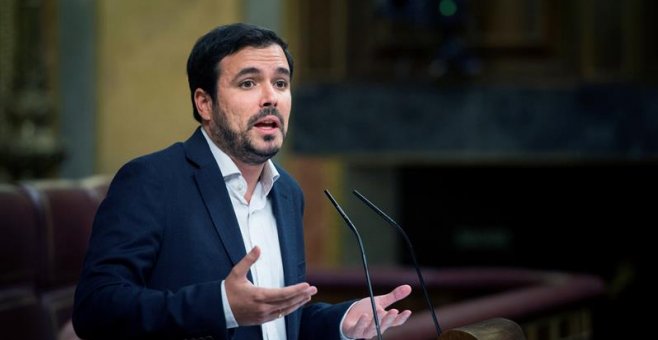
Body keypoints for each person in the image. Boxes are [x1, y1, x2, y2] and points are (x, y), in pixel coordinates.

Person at [72, 23, 412, 340]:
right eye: (248, 83)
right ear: (204, 103)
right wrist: (221, 305)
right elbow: (96, 309)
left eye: (281, 83)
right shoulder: (151, 180)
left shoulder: (288, 192)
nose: (271, 98)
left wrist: (341, 320)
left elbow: (275, 323)